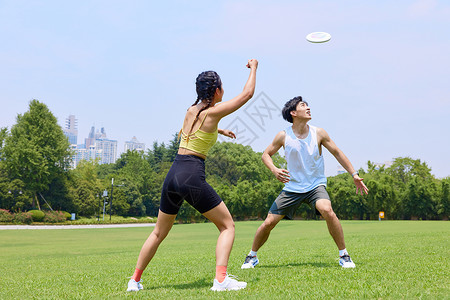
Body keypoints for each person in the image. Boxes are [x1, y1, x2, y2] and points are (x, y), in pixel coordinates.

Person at [127, 59, 258, 292]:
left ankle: (134, 281)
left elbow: (189, 130)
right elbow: (247, 94)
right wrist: (254, 66)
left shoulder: (191, 110)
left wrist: (220, 129)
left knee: (158, 232)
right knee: (227, 226)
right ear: (217, 91)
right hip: (191, 173)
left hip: (173, 174)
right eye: (222, 87)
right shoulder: (215, 111)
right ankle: (221, 280)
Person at [241, 96, 368, 270]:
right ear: (293, 113)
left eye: (307, 105)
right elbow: (265, 155)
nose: (308, 108)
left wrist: (354, 174)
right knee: (269, 222)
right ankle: (251, 256)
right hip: (292, 187)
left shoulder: (319, 133)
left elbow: (337, 153)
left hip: (315, 185)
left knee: (327, 210)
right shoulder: (283, 135)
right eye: (303, 105)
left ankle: (344, 255)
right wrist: (275, 170)